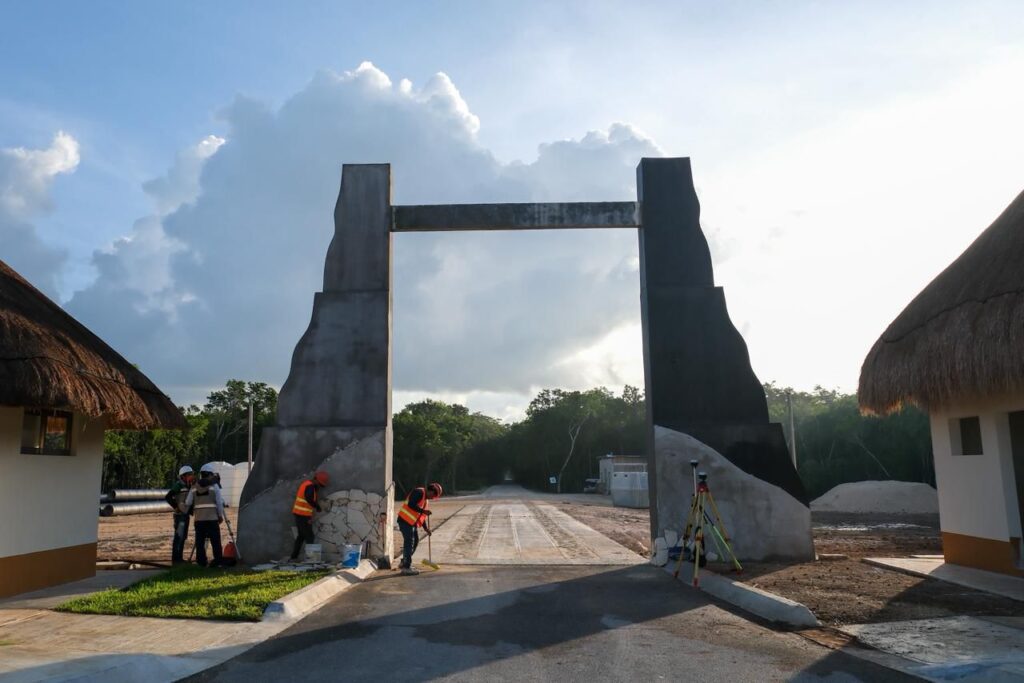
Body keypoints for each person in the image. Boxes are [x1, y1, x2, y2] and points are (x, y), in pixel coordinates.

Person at [396, 482, 443, 575]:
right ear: (430, 490)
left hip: (411, 523)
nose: (432, 498)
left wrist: (426, 529)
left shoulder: (425, 500)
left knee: (415, 541)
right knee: (409, 542)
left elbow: (421, 515)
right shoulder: (419, 492)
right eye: (433, 495)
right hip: (404, 520)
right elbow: (411, 504)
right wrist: (423, 511)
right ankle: (406, 567)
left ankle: (404, 562)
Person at [184, 463, 225, 567]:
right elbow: (219, 502)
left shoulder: (193, 486)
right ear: (210, 474)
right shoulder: (214, 485)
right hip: (212, 518)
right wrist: (220, 516)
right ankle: (218, 561)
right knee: (215, 541)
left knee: (200, 542)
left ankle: (201, 562)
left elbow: (188, 502)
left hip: (199, 519)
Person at [290, 471, 329, 561]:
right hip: (302, 515)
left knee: (301, 536)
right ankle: (311, 559)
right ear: (316, 480)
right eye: (320, 484)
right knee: (309, 536)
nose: (320, 486)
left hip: (301, 514)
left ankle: (294, 557)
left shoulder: (308, 485)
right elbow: (309, 498)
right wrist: (317, 506)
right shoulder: (310, 486)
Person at [165, 465, 195, 564]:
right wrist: (176, 507)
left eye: (192, 474)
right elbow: (168, 496)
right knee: (179, 537)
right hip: (179, 516)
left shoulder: (189, 486)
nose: (191, 476)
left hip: (185, 514)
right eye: (189, 475)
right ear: (183, 476)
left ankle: (179, 558)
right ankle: (176, 560)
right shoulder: (178, 485)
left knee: (183, 537)